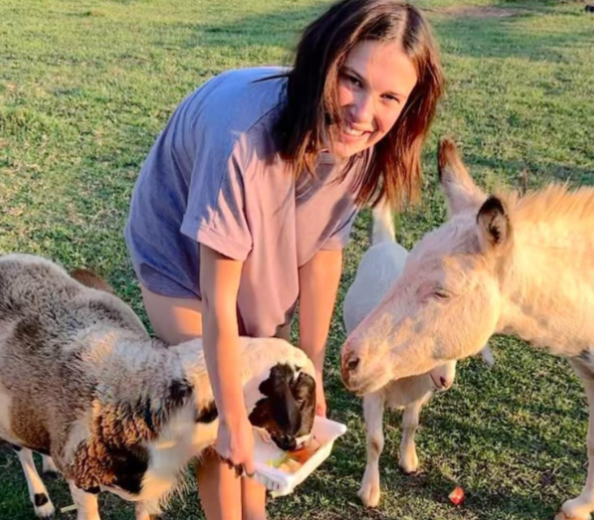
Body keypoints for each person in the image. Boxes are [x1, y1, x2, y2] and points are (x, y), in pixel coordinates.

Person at [124, 0, 444, 518]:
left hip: (268, 236)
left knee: (268, 384)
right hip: (181, 251)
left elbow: (323, 250)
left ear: (410, 103)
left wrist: (309, 366)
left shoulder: (362, 144)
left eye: (390, 97)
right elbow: (218, 301)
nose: (364, 113)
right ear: (324, 61)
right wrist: (231, 419)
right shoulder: (242, 142)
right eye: (352, 80)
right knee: (218, 401)